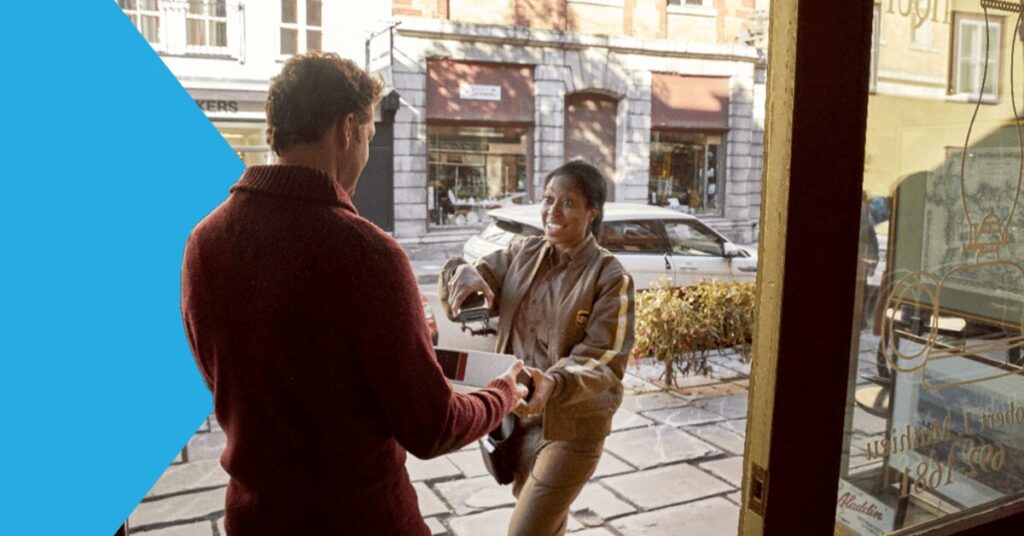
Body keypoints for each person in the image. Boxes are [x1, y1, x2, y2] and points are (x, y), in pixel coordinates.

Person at [180, 52, 528, 535]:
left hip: (255, 519)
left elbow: (231, 379)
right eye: (368, 135)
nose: (366, 150)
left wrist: (405, 335)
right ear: (346, 129)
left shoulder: (203, 242)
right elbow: (432, 427)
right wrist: (504, 392)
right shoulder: (369, 254)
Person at [440, 160, 636, 535]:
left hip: (572, 427)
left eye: (568, 202)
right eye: (548, 199)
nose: (553, 211)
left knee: (526, 530)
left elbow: (606, 358)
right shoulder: (521, 252)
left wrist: (554, 382)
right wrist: (459, 273)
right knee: (547, 524)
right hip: (517, 421)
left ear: (592, 212)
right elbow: (472, 283)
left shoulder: (610, 276)